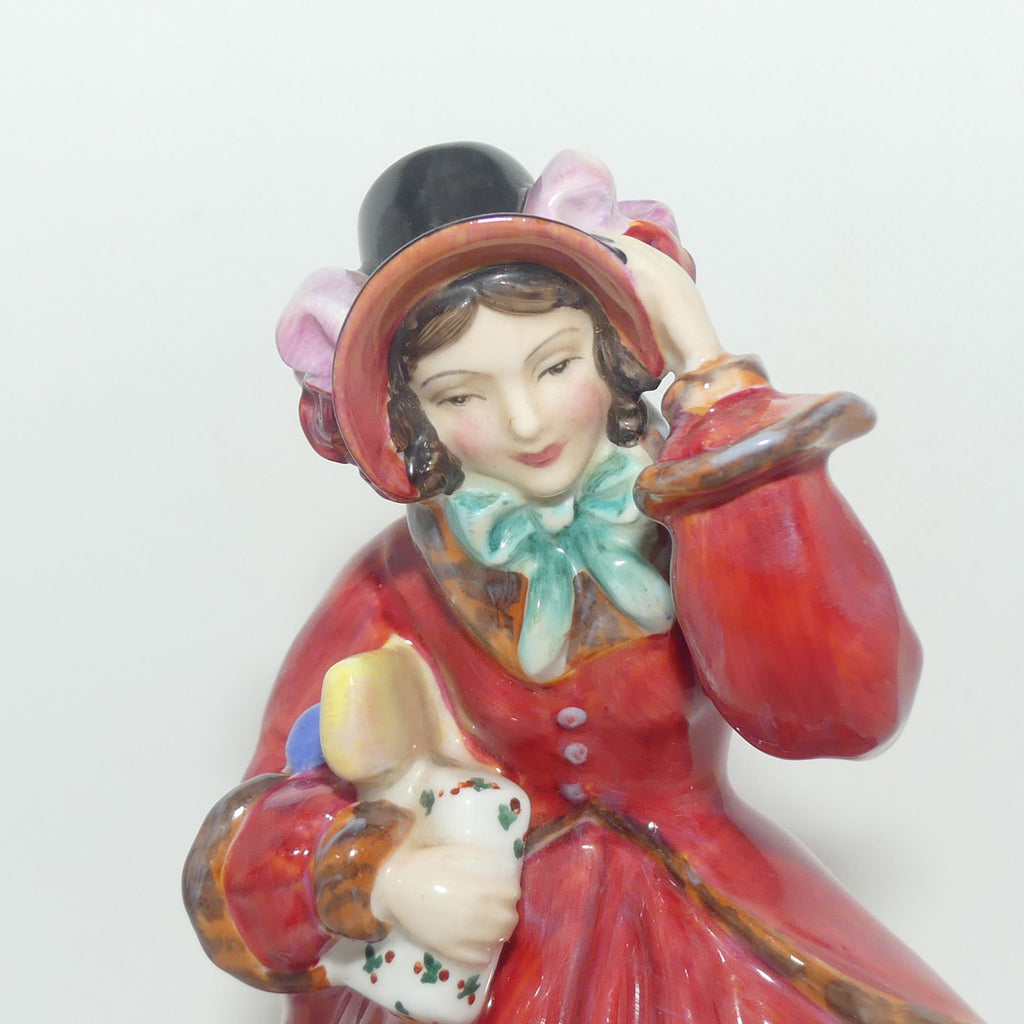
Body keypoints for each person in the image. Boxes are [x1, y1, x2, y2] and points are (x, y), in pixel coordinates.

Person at [184, 143, 981, 1024]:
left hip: (710, 904)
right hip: (502, 941)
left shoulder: (690, 514)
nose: (526, 423)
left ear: (611, 349)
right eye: (461, 397)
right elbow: (250, 839)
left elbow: (838, 707)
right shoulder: (397, 591)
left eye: (556, 366)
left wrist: (712, 380)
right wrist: (384, 877)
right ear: (408, 418)